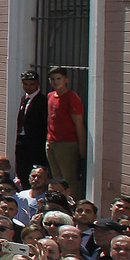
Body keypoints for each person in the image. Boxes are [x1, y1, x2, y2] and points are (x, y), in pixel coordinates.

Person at [45, 67, 85, 199]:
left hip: (67, 144)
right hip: (51, 142)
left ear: (66, 80)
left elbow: (79, 123)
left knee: (69, 179)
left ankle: (72, 204)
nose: (56, 82)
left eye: (59, 79)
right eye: (53, 79)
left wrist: (82, 149)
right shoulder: (50, 96)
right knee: (56, 178)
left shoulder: (71, 98)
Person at [15, 69, 49, 180]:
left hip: (35, 142)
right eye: (25, 84)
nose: (28, 87)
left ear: (38, 84)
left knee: (33, 169)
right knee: (21, 168)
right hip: (22, 139)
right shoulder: (24, 99)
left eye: (31, 84)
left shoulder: (42, 101)